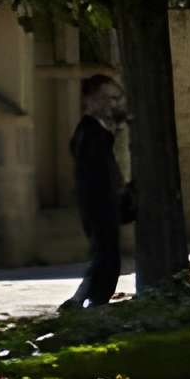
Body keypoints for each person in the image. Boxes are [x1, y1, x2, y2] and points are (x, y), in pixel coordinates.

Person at [67, 72, 134, 308]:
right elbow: (97, 174)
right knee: (105, 258)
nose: (114, 104)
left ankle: (82, 302)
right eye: (109, 98)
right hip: (99, 205)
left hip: (101, 204)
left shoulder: (95, 131)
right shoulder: (90, 132)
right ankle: (86, 303)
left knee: (104, 257)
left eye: (116, 98)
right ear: (91, 100)